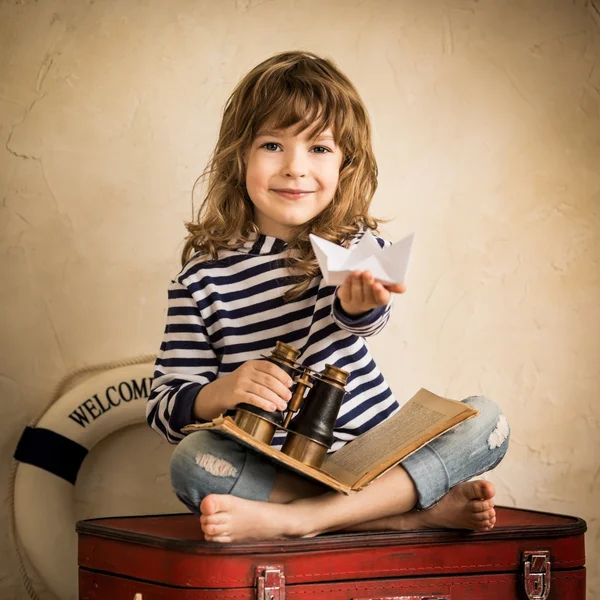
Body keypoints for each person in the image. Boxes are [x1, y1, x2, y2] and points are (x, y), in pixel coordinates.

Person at [146, 50, 510, 543]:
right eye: (273, 144)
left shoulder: (351, 244)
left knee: (488, 421)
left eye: (319, 149)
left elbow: (363, 317)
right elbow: (166, 407)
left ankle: (305, 520)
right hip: (278, 466)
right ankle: (400, 515)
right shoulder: (200, 279)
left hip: (374, 454)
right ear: (240, 156)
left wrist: (360, 302)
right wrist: (225, 390)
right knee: (192, 463)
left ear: (346, 164)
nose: (295, 169)